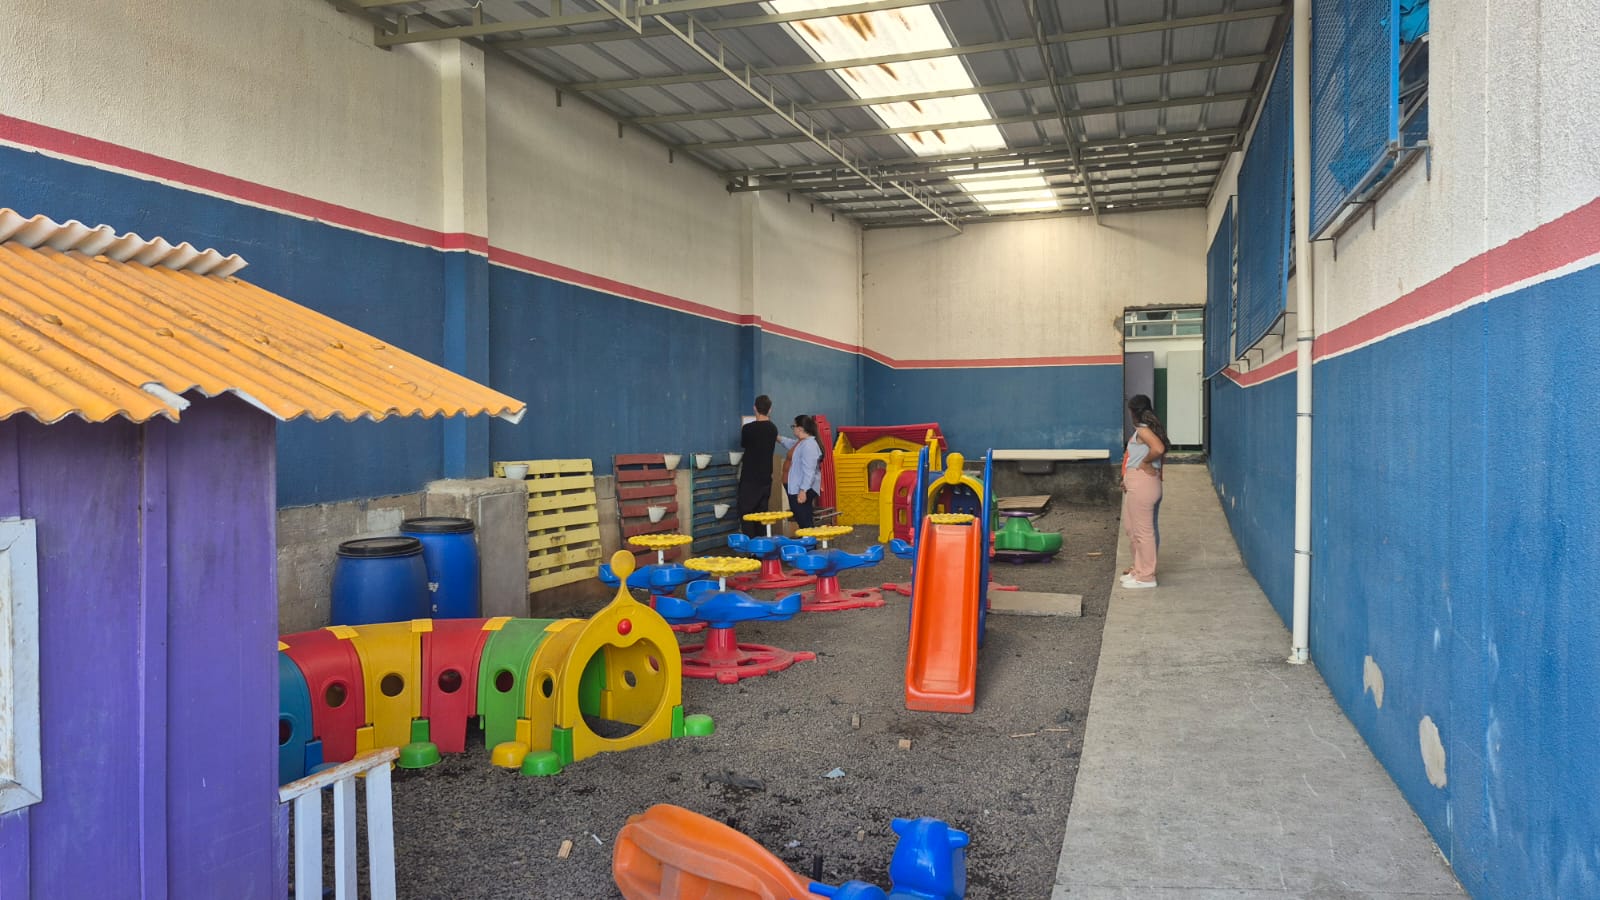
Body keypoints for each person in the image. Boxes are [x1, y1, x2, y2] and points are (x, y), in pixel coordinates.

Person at [1120, 394, 1167, 589]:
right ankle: (1139, 570)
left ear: (1132, 411)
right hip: (1140, 484)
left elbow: (1158, 449)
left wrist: (1146, 462)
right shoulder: (1148, 429)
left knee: (1143, 532)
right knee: (1133, 528)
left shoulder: (1143, 430)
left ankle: (1146, 577)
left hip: (1142, 484)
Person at [736, 396, 780, 537]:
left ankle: (751, 547)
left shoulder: (747, 429)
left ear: (754, 408)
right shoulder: (773, 429)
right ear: (770, 410)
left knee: (746, 513)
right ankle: (762, 545)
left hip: (749, 477)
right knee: (761, 514)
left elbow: (744, 444)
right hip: (765, 477)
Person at [778, 414, 825, 529]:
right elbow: (790, 443)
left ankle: (808, 538)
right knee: (803, 517)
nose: (792, 428)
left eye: (793, 426)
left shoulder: (809, 445)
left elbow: (809, 471)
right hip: (796, 486)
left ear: (800, 428)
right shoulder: (802, 442)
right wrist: (777, 437)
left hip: (801, 488)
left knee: (803, 519)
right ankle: (808, 538)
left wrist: (803, 490)